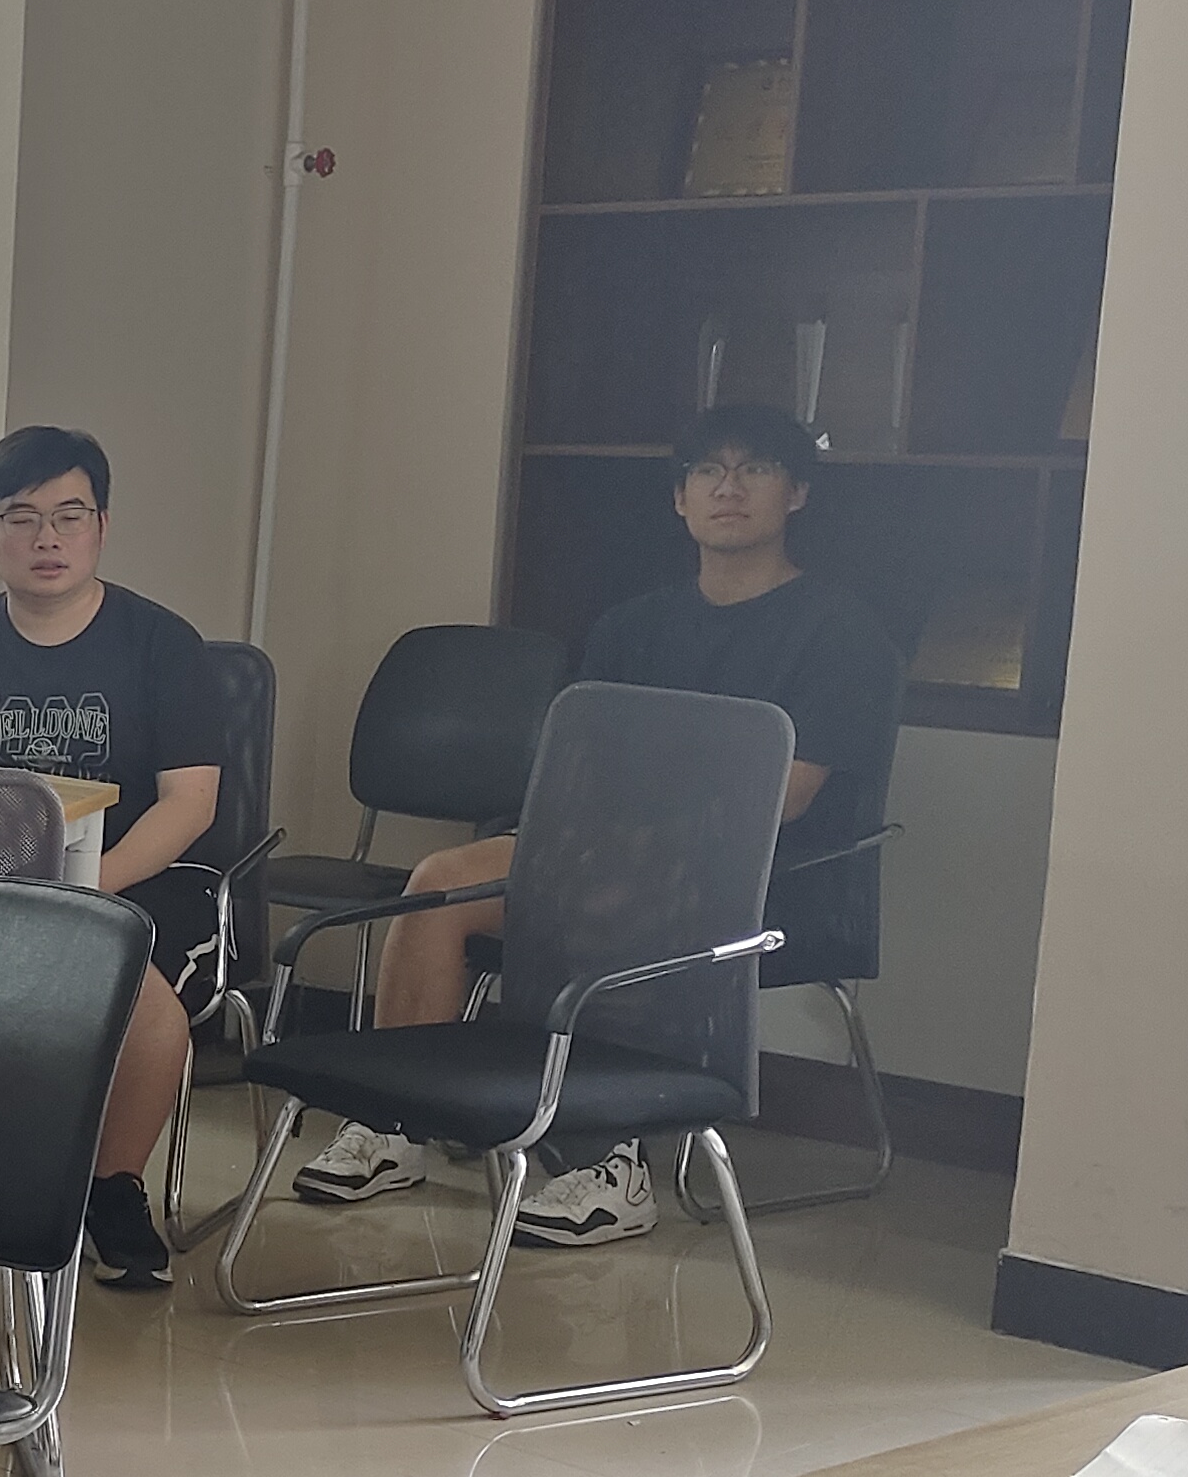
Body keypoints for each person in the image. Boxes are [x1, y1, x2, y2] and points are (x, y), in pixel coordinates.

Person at [297, 402, 905, 1248]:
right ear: (680, 499)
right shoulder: (632, 627)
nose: (728, 488)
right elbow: (578, 771)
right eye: (707, 471)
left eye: (755, 470)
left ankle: (609, 1163)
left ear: (796, 493)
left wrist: (628, 828)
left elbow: (787, 796)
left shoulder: (841, 634)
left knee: (610, 898)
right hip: (610, 851)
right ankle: (392, 1127)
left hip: (767, 882)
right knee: (440, 883)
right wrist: (594, 833)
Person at [0, 428, 222, 1290]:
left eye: (70, 516)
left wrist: (82, 884)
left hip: (130, 880)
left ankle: (112, 1188)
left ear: (101, 527)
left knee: (146, 1008)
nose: (48, 538)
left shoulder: (162, 644)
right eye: (22, 517)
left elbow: (190, 803)